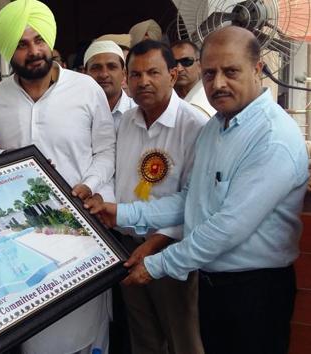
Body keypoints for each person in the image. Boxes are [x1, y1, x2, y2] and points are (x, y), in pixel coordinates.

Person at [87, 26, 308, 354]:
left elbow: (228, 226)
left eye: (230, 71)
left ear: (258, 69)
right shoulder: (217, 128)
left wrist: (157, 264)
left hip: (255, 290)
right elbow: (191, 200)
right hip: (212, 283)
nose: (218, 84)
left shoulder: (272, 137)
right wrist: (122, 212)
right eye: (209, 74)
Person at [0, 1, 116, 353]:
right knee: (37, 335)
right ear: (8, 51)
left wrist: (87, 186)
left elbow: (106, 151)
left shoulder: (85, 89)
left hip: (83, 232)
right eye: (21, 45)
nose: (33, 51)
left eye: (39, 40)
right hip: (25, 240)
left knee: (87, 332)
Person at [111, 39, 207, 354]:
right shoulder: (127, 120)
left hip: (170, 252)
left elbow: (194, 201)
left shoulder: (194, 126)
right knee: (144, 340)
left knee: (182, 339)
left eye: (153, 72)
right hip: (128, 248)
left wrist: (155, 245)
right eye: (136, 75)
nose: (144, 82)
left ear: (173, 73)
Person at [84, 40, 136, 131]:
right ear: (85, 74)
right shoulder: (74, 113)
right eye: (96, 68)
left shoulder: (139, 112)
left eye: (112, 67)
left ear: (124, 73)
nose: (104, 74)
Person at [171, 40, 216, 117]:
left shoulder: (210, 94)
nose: (179, 69)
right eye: (173, 63)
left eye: (186, 61)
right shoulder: (169, 100)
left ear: (200, 64)